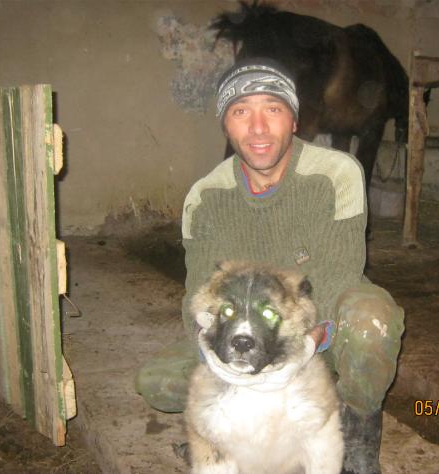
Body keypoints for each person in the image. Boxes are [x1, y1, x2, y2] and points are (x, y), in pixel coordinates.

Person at [136, 57, 405, 474]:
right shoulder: (206, 197)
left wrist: (300, 350)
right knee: (159, 382)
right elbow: (201, 297)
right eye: (241, 112)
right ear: (226, 126)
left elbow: (336, 279)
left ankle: (357, 443)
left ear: (294, 121)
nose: (258, 128)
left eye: (273, 109)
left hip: (319, 331)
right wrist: (219, 356)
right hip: (248, 336)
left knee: (371, 322)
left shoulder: (335, 174)